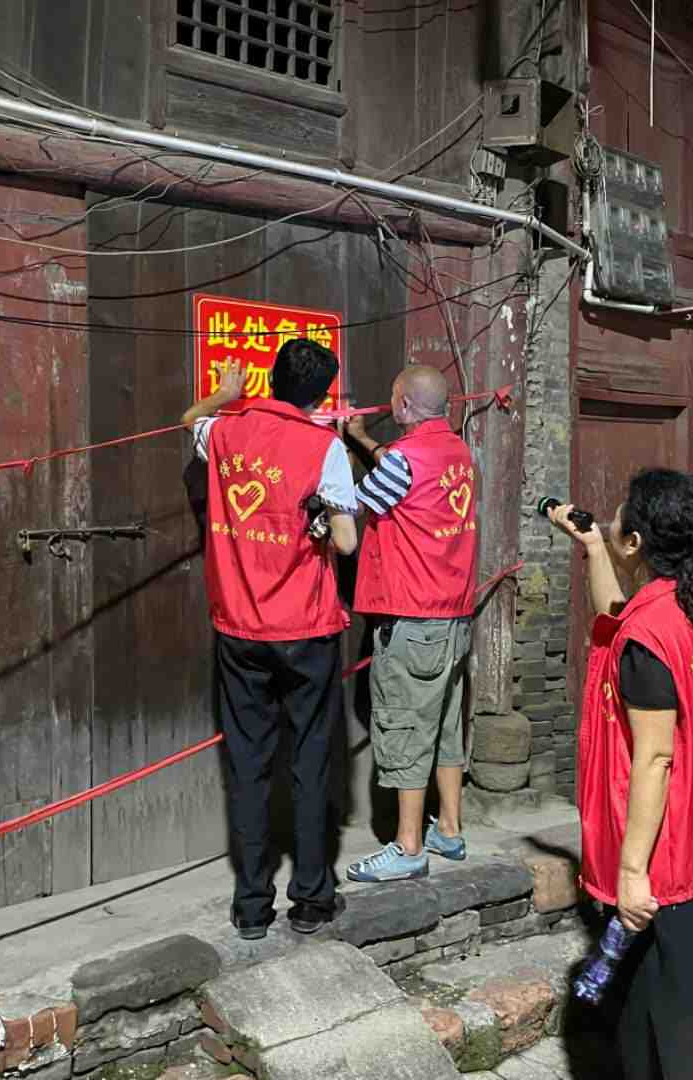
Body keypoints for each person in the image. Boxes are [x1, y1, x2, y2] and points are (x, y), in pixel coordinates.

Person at [547, 468, 693, 1080]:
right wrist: (594, 549)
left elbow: (654, 759)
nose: (612, 517)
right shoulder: (689, 601)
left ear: (638, 541)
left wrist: (631, 872)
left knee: (679, 1017)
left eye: (620, 516)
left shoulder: (648, 638)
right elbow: (617, 617)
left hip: (672, 852)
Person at [181, 339, 358, 940]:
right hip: (306, 629)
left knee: (249, 764)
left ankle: (252, 906)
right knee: (310, 760)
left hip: (239, 628)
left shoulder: (224, 433)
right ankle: (310, 899)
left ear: (271, 379)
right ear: (322, 395)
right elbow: (347, 542)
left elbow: (190, 420)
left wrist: (225, 396)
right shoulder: (324, 446)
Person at [341, 365, 477, 883]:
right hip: (453, 618)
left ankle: (409, 846)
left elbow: (353, 503)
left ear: (402, 405)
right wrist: (364, 440)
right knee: (445, 725)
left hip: (413, 619)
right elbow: (401, 473)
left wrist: (332, 457)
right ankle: (451, 831)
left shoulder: (403, 461)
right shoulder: (457, 453)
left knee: (405, 728)